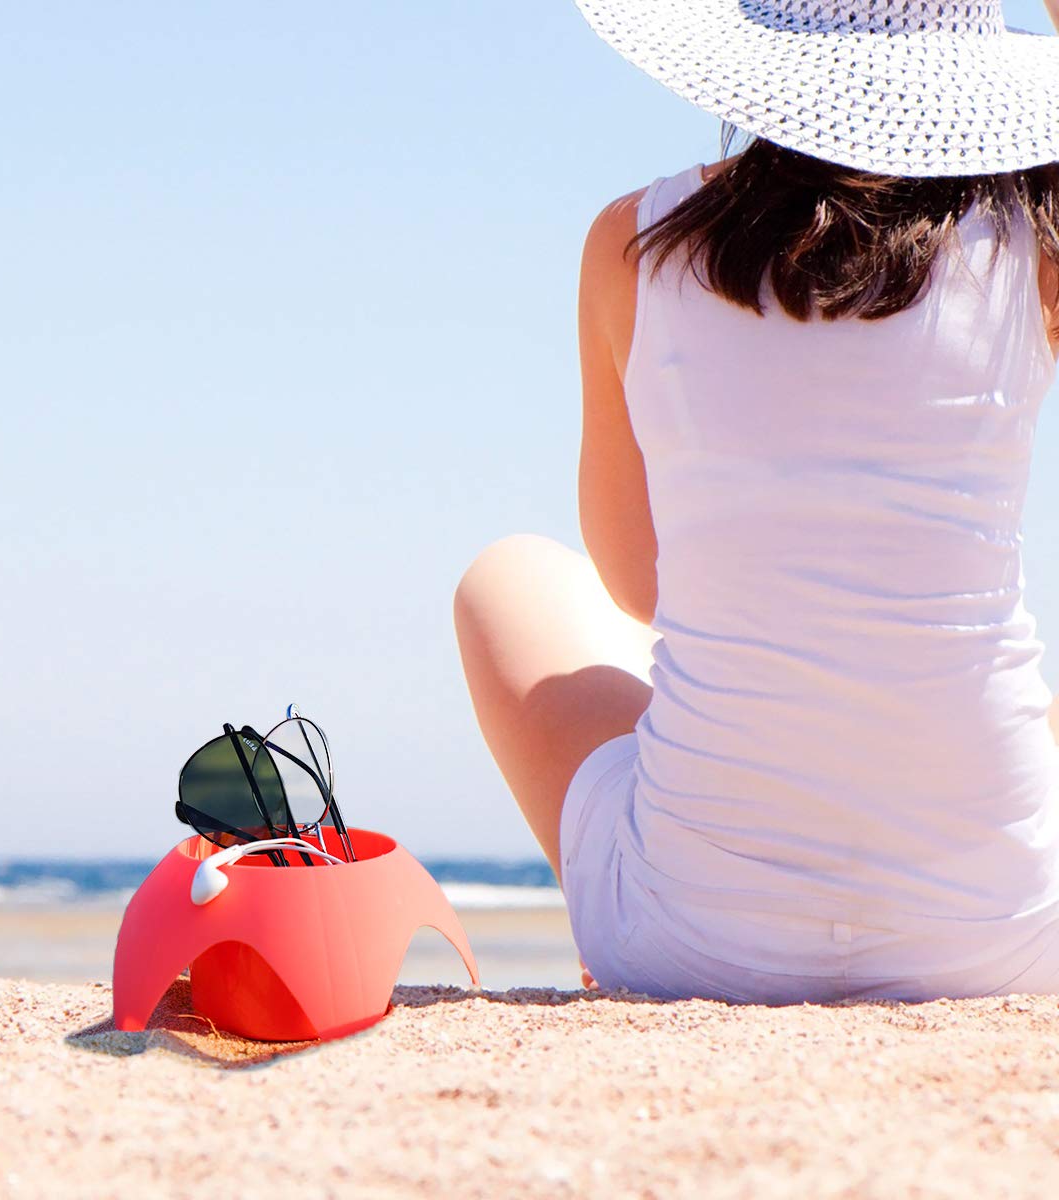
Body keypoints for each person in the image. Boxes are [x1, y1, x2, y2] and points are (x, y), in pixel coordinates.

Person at [453, 0, 1059, 1003]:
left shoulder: (633, 244)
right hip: (1006, 931)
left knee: (509, 577)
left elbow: (639, 582)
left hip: (689, 935)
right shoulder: (1037, 247)